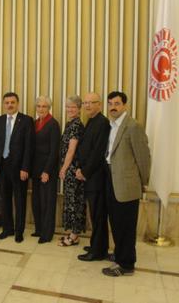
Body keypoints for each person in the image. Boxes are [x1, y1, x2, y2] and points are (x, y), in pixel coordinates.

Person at [102, 91, 150, 276]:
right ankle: (120, 254)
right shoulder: (111, 125)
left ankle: (127, 265)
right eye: (110, 103)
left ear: (125, 106)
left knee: (126, 226)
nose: (113, 107)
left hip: (127, 185)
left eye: (117, 103)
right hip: (112, 181)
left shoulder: (133, 126)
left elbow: (144, 158)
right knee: (116, 222)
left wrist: (143, 182)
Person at [0, 92, 34, 243]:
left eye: (12, 102)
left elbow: (29, 147)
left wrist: (25, 168)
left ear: (17, 104)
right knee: (5, 200)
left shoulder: (27, 121)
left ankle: (19, 231)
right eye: (7, 102)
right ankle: (7, 229)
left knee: (20, 200)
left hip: (19, 168)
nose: (9, 105)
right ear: (4, 104)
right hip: (2, 166)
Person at [76, 92, 111, 261]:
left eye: (92, 103)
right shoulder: (91, 121)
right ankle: (97, 245)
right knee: (94, 214)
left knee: (98, 216)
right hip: (89, 176)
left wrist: (84, 171)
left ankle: (98, 252)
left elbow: (98, 152)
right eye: (85, 103)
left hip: (96, 178)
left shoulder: (103, 123)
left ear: (100, 104)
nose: (88, 106)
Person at [31, 96, 61, 244]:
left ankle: (47, 233)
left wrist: (47, 171)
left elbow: (54, 151)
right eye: (38, 106)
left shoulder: (53, 124)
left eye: (44, 106)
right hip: (35, 170)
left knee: (47, 202)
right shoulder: (35, 123)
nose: (41, 109)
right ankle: (39, 229)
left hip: (47, 170)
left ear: (49, 108)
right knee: (36, 200)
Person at [58, 95, 85, 246]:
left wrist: (63, 168)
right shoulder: (70, 124)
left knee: (74, 202)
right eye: (68, 107)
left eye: (73, 107)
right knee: (70, 201)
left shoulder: (76, 125)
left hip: (73, 170)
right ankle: (74, 233)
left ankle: (74, 236)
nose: (70, 109)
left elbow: (71, 150)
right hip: (70, 169)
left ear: (79, 109)